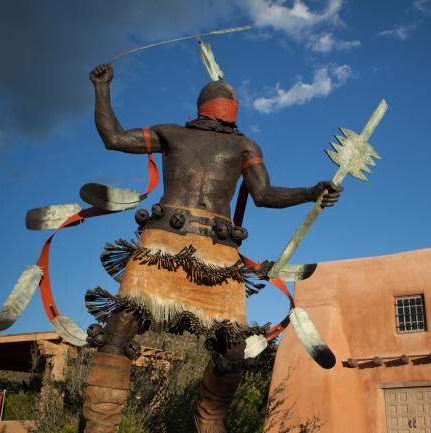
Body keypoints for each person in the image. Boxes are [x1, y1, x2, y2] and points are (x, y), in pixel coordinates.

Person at [81, 63, 342, 433]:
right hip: (163, 244)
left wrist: (311, 192)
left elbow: (264, 194)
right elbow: (114, 138)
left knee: (231, 347)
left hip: (217, 254)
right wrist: (101, 87)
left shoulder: (239, 145)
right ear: (229, 109)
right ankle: (100, 426)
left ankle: (211, 423)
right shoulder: (176, 135)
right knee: (122, 324)